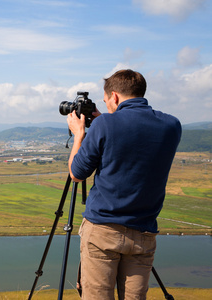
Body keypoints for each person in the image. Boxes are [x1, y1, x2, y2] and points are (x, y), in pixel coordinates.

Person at [66, 69, 182, 299]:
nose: (107, 106)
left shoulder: (105, 125)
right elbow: (135, 137)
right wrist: (104, 121)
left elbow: (77, 174)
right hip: (144, 232)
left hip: (103, 231)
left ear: (115, 97)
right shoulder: (172, 125)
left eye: (107, 100)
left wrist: (79, 134)